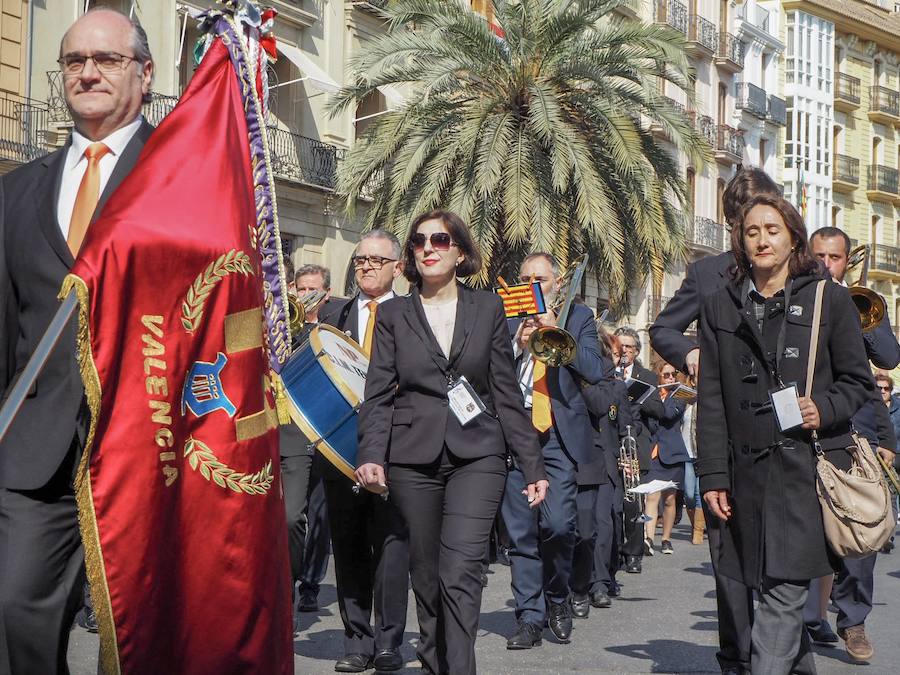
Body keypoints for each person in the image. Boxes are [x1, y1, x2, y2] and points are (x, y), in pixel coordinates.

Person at [0, 8, 154, 673]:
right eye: (73, 61)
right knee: (12, 608)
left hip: (149, 451)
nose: (87, 72)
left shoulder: (182, 181)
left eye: (108, 59)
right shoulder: (17, 191)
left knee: (148, 639)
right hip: (36, 453)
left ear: (145, 75)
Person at [355, 210, 548, 675]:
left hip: (477, 455)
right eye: (419, 241)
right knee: (425, 576)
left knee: (459, 572)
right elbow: (379, 391)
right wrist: (371, 456)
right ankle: (434, 659)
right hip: (412, 460)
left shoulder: (488, 309)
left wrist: (532, 464)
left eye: (440, 239)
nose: (428, 248)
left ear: (460, 251)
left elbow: (505, 390)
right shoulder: (394, 314)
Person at [697, 194, 873, 675]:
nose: (761, 240)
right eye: (752, 231)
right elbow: (711, 399)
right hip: (744, 475)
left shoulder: (829, 300)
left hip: (804, 474)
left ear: (793, 236)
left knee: (782, 592)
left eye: (772, 230)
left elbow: (858, 383)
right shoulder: (719, 305)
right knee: (771, 592)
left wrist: (825, 407)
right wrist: (713, 474)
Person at [649, 166, 781, 675]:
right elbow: (663, 327)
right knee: (726, 552)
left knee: (781, 551)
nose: (756, 231)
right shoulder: (708, 274)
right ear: (731, 221)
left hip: (784, 432)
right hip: (723, 430)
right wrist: (692, 353)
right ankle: (736, 658)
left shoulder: (799, 267)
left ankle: (780, 652)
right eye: (744, 221)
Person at [502, 252, 609, 649]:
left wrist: (553, 331)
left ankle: (558, 598)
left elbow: (595, 370)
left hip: (558, 434)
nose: (533, 285)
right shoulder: (508, 317)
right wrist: (517, 341)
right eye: (526, 278)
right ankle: (529, 616)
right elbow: (485, 365)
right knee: (521, 531)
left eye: (540, 279)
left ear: (558, 282)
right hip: (517, 430)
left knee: (559, 526)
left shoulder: (578, 317)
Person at [803, 227, 900, 661]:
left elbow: (886, 361)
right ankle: (806, 617)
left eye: (835, 257)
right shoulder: (795, 297)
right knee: (808, 533)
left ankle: (854, 623)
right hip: (804, 430)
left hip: (855, 433)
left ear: (845, 262)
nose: (826, 263)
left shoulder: (860, 303)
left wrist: (885, 439)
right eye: (819, 255)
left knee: (861, 532)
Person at [315, 231, 410, 673]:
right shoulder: (334, 313)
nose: (367, 266)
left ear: (397, 266)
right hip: (339, 451)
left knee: (391, 547)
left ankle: (389, 641)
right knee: (348, 546)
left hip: (394, 450)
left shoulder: (413, 314)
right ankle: (357, 640)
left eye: (377, 259)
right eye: (360, 260)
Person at [280, 264, 333, 623]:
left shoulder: (331, 331)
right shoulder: (282, 331)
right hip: (287, 433)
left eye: (313, 289)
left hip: (322, 433)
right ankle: (287, 582)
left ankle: (310, 582)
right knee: (291, 516)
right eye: (301, 289)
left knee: (318, 514)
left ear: (325, 295)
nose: (306, 294)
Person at [571, 330, 633, 617]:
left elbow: (605, 410)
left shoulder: (607, 373)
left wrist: (579, 378)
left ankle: (598, 582)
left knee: (601, 523)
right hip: (568, 457)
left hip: (601, 457)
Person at [613, 326, 664, 572]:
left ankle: (634, 554)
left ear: (636, 351)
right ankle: (612, 553)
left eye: (629, 347)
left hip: (636, 442)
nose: (624, 351)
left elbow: (658, 410)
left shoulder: (648, 377)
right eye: (620, 346)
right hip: (612, 444)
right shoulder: (606, 370)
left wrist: (637, 396)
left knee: (634, 503)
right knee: (613, 504)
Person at [643, 362, 690, 555]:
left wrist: (654, 402)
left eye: (673, 375)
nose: (670, 378)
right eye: (666, 375)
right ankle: (648, 538)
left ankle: (666, 539)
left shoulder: (681, 394)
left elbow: (669, 414)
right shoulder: (651, 394)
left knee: (670, 499)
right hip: (654, 452)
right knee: (651, 497)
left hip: (672, 454)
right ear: (658, 377)